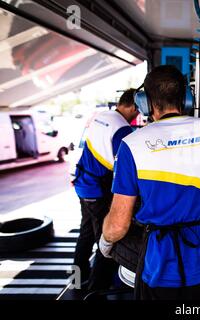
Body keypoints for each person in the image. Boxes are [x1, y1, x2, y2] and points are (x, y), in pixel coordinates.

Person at [99, 65, 200, 300]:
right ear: (187, 98)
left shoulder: (132, 144)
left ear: (144, 102)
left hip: (162, 269)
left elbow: (118, 226)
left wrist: (105, 241)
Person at [73, 89, 139, 292]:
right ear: (131, 106)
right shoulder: (122, 129)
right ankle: (95, 291)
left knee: (85, 235)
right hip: (97, 190)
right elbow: (125, 167)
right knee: (107, 237)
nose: (137, 115)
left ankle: (76, 280)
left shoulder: (102, 117)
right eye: (137, 111)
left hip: (83, 183)